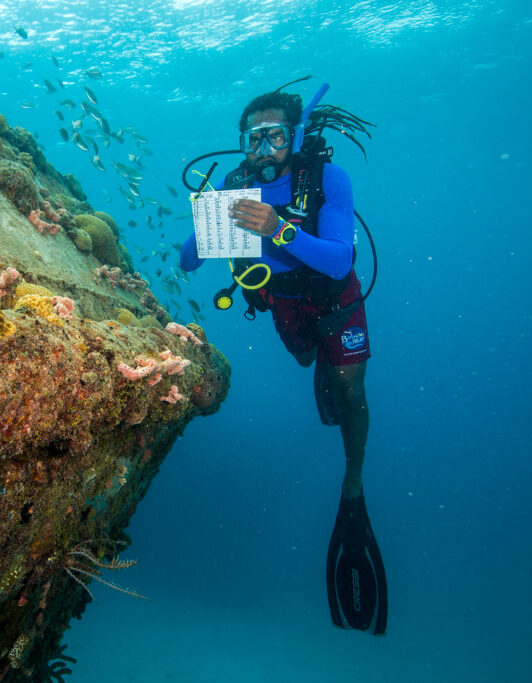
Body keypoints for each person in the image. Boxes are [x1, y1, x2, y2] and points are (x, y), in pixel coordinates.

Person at [179, 84, 387, 634]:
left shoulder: (324, 179)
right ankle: (321, 361)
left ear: (294, 136)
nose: (266, 146)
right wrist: (205, 224)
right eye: (255, 136)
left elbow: (339, 259)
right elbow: (188, 261)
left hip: (337, 299)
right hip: (285, 300)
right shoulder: (236, 184)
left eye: (276, 135)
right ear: (243, 141)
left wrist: (278, 227)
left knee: (351, 392)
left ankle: (354, 480)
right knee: (302, 362)